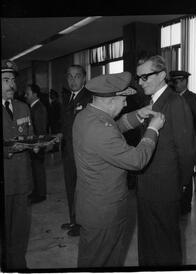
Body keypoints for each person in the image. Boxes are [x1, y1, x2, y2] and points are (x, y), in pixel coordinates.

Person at [73, 72, 165, 267]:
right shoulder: (99, 129)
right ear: (109, 100)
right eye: (123, 100)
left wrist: (138, 115)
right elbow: (137, 160)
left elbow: (114, 127)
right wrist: (153, 130)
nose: (125, 104)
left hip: (93, 206)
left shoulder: (86, 116)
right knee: (98, 263)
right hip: (104, 214)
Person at [136, 55, 196, 266]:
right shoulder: (151, 102)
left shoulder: (174, 103)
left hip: (165, 188)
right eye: (139, 78)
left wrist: (180, 184)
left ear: (162, 75)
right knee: (148, 242)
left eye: (145, 77)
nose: (140, 82)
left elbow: (187, 151)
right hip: (147, 186)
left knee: (166, 246)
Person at [2, 59, 34, 270]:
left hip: (22, 179)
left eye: (12, 80)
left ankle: (18, 265)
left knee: (21, 228)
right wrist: (9, 150)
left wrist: (38, 145)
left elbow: (29, 136)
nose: (11, 84)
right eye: (5, 80)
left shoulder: (23, 106)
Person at [60, 64, 92, 237]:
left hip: (81, 154)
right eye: (70, 77)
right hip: (67, 152)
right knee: (70, 187)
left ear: (84, 78)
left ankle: (82, 224)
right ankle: (73, 220)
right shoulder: (67, 98)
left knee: (81, 190)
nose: (73, 80)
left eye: (77, 76)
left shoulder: (89, 98)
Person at [169, 70, 196, 215]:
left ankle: (186, 205)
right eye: (174, 82)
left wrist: (195, 146)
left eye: (177, 81)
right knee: (175, 175)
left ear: (184, 81)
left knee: (187, 174)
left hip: (187, 143)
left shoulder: (192, 98)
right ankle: (176, 203)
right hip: (173, 144)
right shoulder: (171, 97)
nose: (175, 84)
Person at [25, 83, 48, 204]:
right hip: (34, 145)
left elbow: (40, 129)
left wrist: (37, 145)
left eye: (27, 93)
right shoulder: (34, 107)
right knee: (35, 169)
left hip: (37, 145)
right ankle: (36, 191)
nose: (25, 95)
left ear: (34, 94)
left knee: (38, 169)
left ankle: (41, 194)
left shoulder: (39, 108)